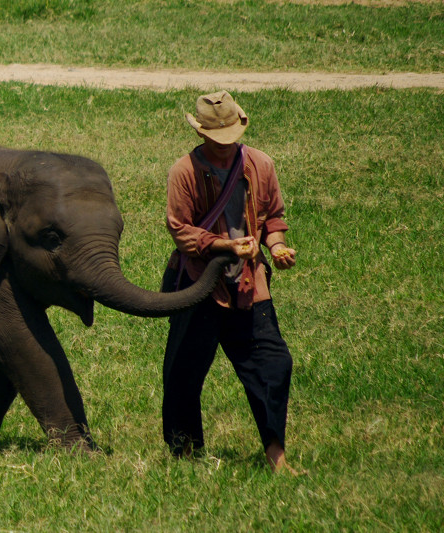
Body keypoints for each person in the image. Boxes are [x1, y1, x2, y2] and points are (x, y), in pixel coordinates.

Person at [161, 90, 301, 474]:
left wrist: (277, 247)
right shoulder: (184, 172)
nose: (225, 147)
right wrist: (224, 245)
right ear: (201, 134)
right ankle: (184, 456)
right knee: (183, 373)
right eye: (217, 140)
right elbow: (181, 232)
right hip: (198, 286)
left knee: (274, 364)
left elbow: (273, 217)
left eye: (231, 139)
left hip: (249, 286)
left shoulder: (261, 164)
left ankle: (277, 456)